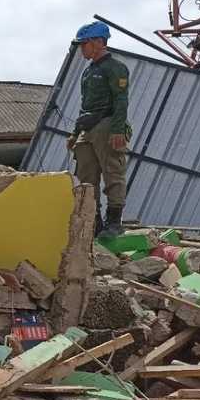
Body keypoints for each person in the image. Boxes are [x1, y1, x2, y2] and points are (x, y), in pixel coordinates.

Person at [68, 21, 130, 238]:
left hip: (107, 125)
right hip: (88, 128)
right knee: (86, 179)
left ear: (98, 42)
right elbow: (86, 106)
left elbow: (121, 100)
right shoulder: (88, 72)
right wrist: (75, 133)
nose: (82, 48)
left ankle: (114, 223)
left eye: (84, 44)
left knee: (113, 173)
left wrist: (117, 130)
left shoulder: (115, 67)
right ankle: (93, 223)